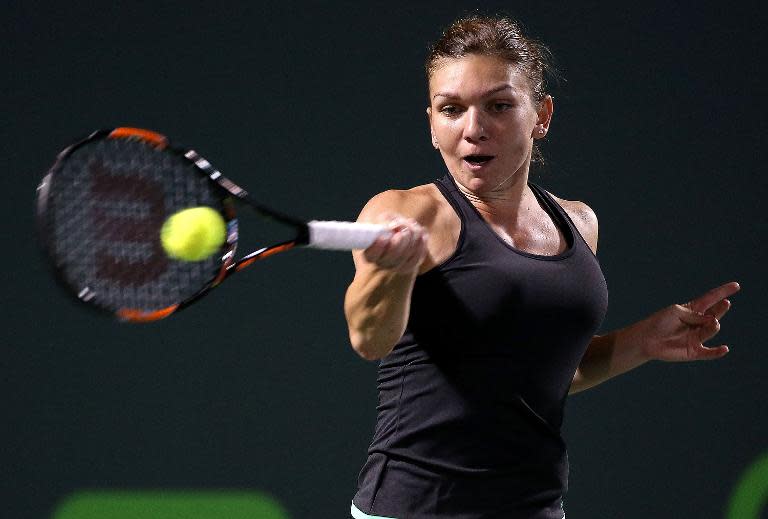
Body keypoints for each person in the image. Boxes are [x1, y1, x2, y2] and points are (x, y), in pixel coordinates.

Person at [344, 14, 740, 519]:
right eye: (451, 109)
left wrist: (644, 340)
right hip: (414, 509)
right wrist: (392, 273)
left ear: (542, 115)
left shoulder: (579, 223)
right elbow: (368, 338)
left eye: (499, 106)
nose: (473, 129)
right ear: (431, 124)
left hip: (534, 507)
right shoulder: (405, 212)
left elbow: (545, 373)